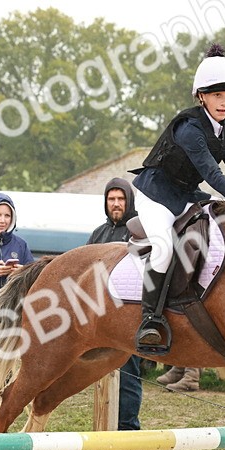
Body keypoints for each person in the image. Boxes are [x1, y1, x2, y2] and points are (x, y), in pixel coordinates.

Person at [130, 43, 225, 352]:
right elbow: (213, 175)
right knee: (164, 247)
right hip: (155, 194)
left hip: (187, 194)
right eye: (218, 95)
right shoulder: (189, 128)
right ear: (201, 96)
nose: (224, 102)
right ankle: (150, 320)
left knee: (223, 233)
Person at [86, 178, 142, 429]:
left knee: (128, 377)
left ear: (129, 201)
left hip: (128, 318)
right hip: (99, 319)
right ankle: (104, 430)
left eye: (121, 199)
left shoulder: (139, 231)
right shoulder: (98, 233)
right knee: (99, 376)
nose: (116, 204)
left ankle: (128, 429)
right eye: (111, 199)